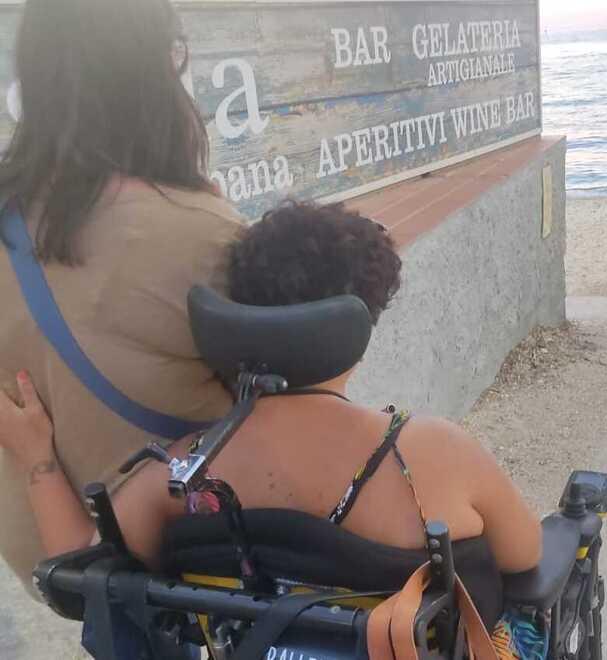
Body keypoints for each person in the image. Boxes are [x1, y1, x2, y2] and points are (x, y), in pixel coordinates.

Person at [0, 202, 543, 629]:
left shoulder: (178, 472)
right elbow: (528, 557)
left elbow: (77, 582)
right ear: (361, 327)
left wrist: (37, 460)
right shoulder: (435, 455)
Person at [0, 0, 243, 590]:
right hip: (191, 564)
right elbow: (297, 412)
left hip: (55, 564)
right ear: (152, 74)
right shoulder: (203, 233)